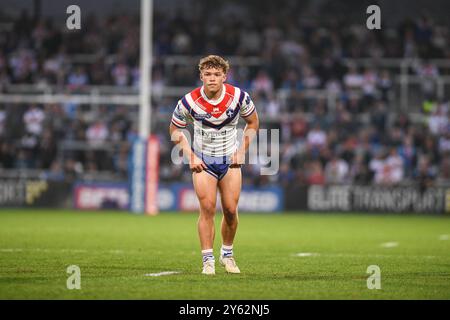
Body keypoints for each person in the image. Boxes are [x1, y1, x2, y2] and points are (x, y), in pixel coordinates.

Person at [169, 55, 259, 275]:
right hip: (204, 161)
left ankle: (227, 255)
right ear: (201, 76)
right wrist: (190, 155)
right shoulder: (188, 101)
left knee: (230, 210)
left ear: (224, 76)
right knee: (207, 209)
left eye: (216, 74)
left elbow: (254, 122)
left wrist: (241, 151)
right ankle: (207, 260)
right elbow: (174, 130)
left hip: (230, 160)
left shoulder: (239, 97)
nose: (212, 78)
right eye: (207, 74)